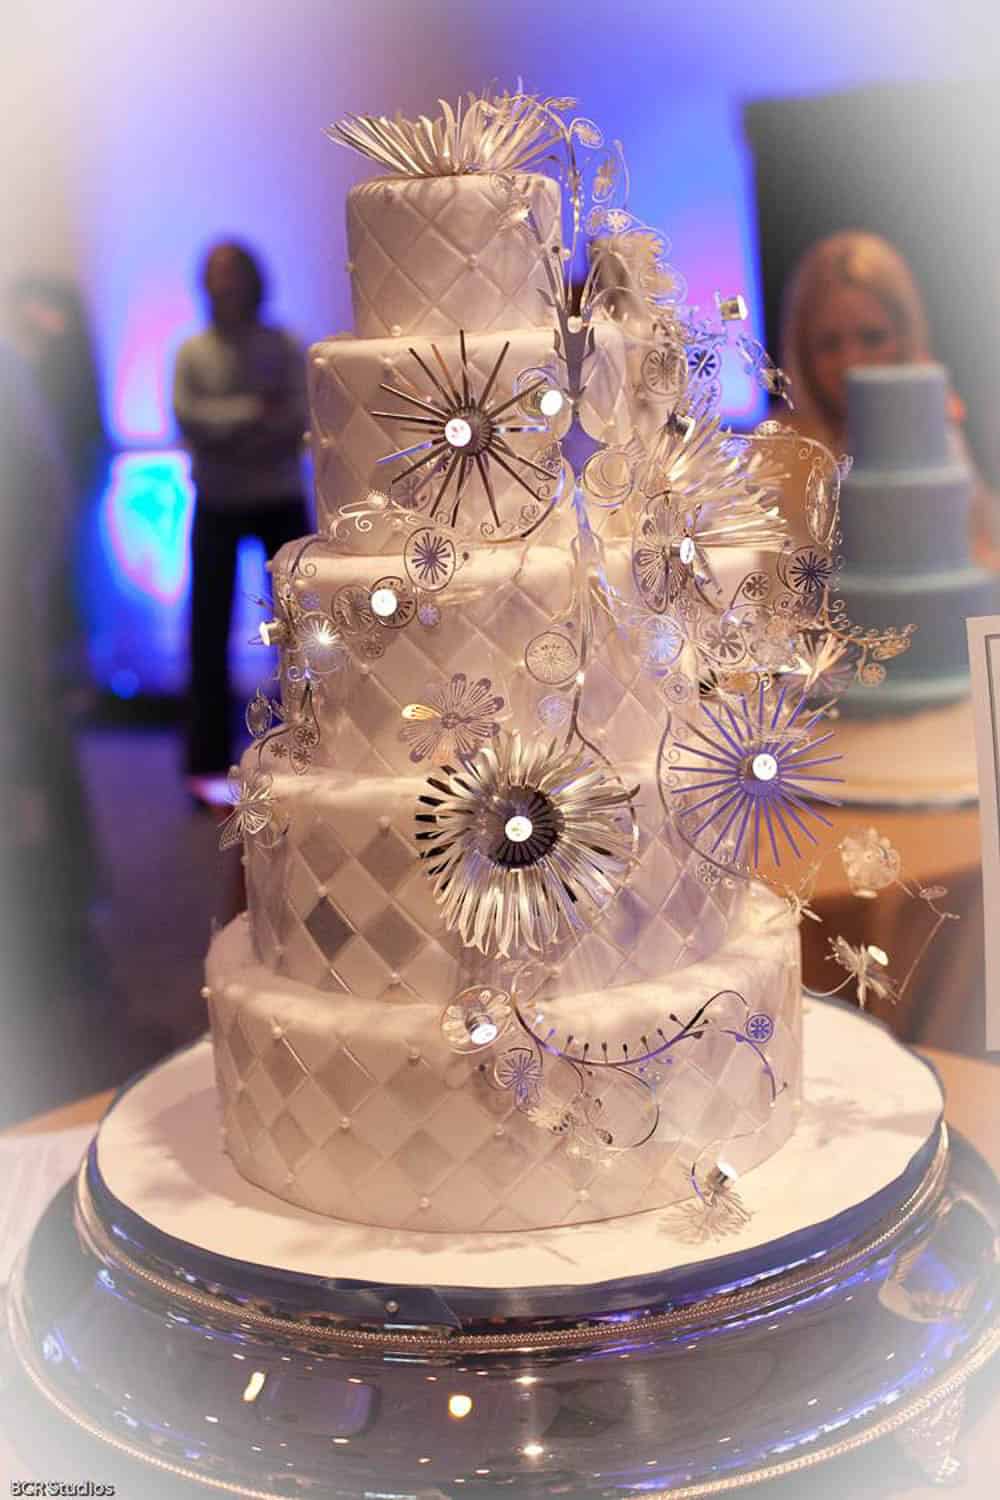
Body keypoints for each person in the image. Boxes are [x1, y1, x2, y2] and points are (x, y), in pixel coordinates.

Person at [173, 241, 308, 784]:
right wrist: (254, 413)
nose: (225, 285)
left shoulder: (285, 347)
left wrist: (225, 428)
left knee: (299, 632)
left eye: (232, 274)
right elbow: (188, 420)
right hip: (220, 500)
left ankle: (308, 745)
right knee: (207, 634)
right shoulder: (192, 353)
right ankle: (205, 763)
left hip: (278, 497)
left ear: (254, 280)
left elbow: (297, 419)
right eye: (215, 276)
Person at [778, 229, 997, 544]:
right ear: (803, 353)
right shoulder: (781, 458)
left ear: (906, 336)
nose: (851, 363)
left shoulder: (942, 430)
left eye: (872, 337)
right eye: (829, 344)